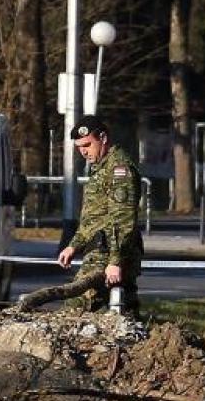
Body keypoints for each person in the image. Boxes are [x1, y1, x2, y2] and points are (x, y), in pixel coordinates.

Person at [57, 115, 144, 315]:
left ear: (103, 138)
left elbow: (122, 220)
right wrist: (74, 245)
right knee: (121, 311)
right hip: (102, 250)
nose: (83, 151)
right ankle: (142, 343)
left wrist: (114, 261)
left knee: (74, 309)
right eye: (79, 147)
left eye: (87, 144)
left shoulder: (119, 170)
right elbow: (94, 218)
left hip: (108, 253)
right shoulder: (102, 169)